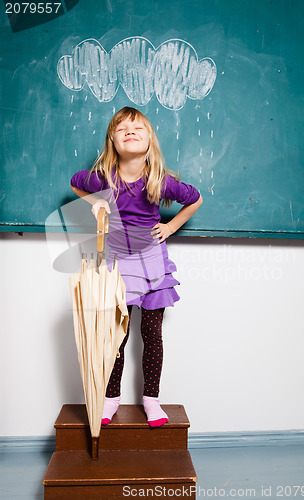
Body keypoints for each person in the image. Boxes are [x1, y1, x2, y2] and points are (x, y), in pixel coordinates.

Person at [70, 106, 203, 428]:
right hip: (118, 260)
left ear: (149, 139)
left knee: (152, 334)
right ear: (112, 141)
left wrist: (171, 228)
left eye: (138, 127)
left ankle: (151, 400)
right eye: (122, 128)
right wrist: (96, 201)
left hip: (152, 261)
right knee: (117, 334)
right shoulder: (102, 177)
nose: (130, 131)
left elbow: (195, 198)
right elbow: (76, 184)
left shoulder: (159, 179)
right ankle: (111, 397)